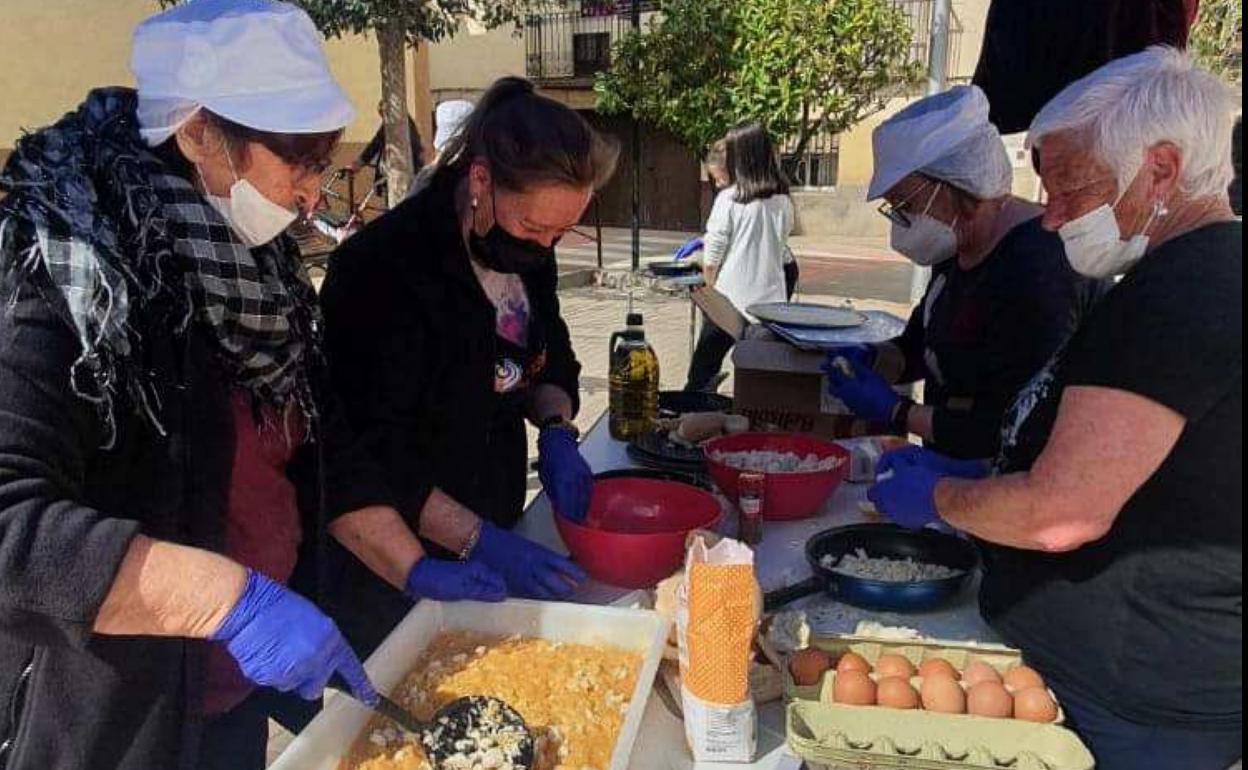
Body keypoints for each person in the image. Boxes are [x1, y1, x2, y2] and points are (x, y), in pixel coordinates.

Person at [0, 2, 506, 768]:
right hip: (113, 723)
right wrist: (227, 599)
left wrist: (415, 564)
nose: (312, 195)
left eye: (321, 163)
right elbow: (13, 526)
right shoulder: (64, 269)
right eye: (296, 162)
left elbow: (318, 440)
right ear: (199, 131)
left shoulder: (255, 267)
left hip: (233, 700)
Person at [869, 48, 1241, 770]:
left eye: (1073, 189)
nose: (1053, 217)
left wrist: (944, 495)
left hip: (1132, 697)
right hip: (1130, 678)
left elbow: (1063, 513)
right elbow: (1136, 469)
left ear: (1160, 169)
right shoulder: (1180, 276)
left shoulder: (1185, 291)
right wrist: (982, 468)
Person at [319, 77, 617, 655]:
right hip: (399, 559)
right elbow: (369, 449)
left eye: (560, 232)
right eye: (533, 228)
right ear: (480, 180)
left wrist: (556, 428)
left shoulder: (529, 256)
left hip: (497, 512)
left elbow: (547, 346)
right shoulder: (381, 270)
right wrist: (475, 539)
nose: (546, 246)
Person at [824, 85, 1106, 459]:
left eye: (906, 203)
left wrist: (897, 411)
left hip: (1013, 479)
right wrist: (870, 360)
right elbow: (919, 349)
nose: (901, 223)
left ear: (958, 186)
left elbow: (1016, 422)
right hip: (951, 463)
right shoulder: (956, 248)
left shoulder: (1039, 268)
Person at [684, 122, 796, 392]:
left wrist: (707, 292)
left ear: (741, 158)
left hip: (730, 301)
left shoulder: (730, 199)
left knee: (702, 371)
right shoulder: (783, 200)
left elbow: (713, 255)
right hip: (770, 306)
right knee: (759, 377)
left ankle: (695, 415)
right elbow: (778, 249)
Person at [349, 100, 426, 179]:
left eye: (384, 114)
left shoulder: (403, 126)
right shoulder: (394, 124)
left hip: (401, 173)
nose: (384, 118)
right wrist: (360, 162)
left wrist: (360, 162)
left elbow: (375, 144)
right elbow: (375, 143)